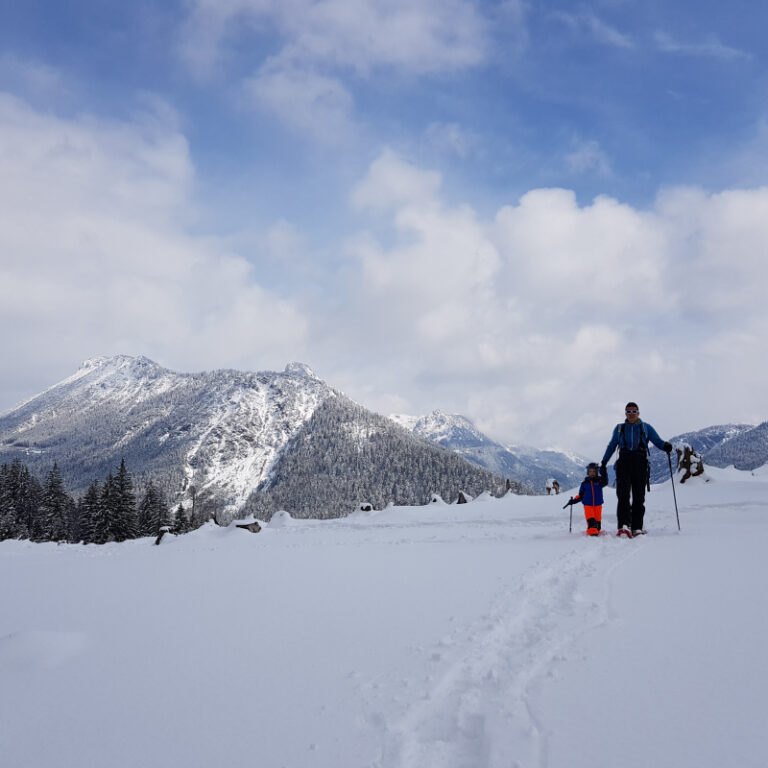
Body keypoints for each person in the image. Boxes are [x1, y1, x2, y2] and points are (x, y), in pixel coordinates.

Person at [601, 402, 672, 537]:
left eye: (634, 411)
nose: (631, 414)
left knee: (639, 496)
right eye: (629, 411)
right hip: (624, 463)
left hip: (640, 463)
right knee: (623, 495)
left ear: (638, 413)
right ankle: (624, 525)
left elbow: (657, 441)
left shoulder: (646, 427)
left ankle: (636, 527)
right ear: (625, 413)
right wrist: (604, 461)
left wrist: (665, 446)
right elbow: (611, 446)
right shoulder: (619, 428)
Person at [565, 462, 608, 536]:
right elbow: (580, 495)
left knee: (598, 525)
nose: (592, 473)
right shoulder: (584, 483)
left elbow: (606, 481)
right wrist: (573, 501)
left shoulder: (600, 481)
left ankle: (595, 530)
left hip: (598, 505)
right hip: (588, 505)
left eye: (594, 471)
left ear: (597, 472)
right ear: (588, 472)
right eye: (590, 471)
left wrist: (603, 471)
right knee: (592, 522)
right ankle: (591, 532)